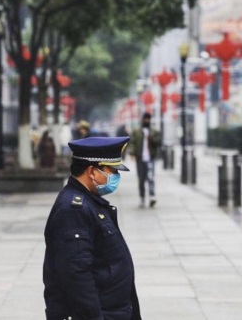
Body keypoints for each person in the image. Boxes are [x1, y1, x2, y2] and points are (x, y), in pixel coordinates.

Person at [43, 136, 141, 320]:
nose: (115, 176)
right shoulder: (74, 210)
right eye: (111, 170)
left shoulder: (90, 203)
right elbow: (76, 275)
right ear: (91, 172)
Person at [129, 113, 161, 208]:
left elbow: (159, 142)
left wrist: (152, 139)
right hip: (140, 159)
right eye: (145, 119)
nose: (147, 121)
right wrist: (132, 153)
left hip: (150, 158)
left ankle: (152, 196)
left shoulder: (154, 131)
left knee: (151, 178)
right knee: (141, 180)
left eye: (148, 119)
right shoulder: (137, 132)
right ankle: (142, 197)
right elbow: (132, 143)